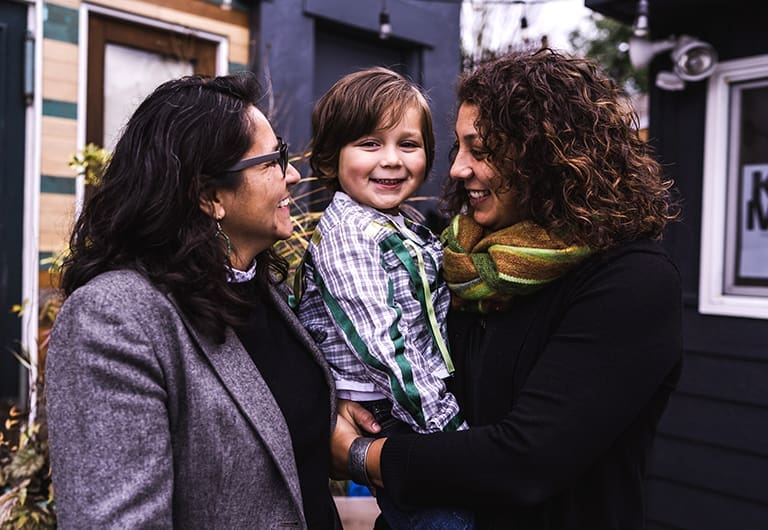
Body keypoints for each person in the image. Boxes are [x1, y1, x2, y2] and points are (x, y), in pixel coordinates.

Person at [332, 49, 683, 530]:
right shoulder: (461, 259)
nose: (456, 169)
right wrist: (351, 396)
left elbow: (526, 459)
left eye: (481, 150)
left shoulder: (630, 281)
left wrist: (359, 454)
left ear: (545, 154)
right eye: (458, 148)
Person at [45, 73, 342, 529]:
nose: (294, 174)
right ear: (209, 196)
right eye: (273, 160)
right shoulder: (116, 319)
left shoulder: (266, 291)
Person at [294, 67, 473, 529]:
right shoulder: (351, 235)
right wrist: (448, 433)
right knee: (447, 520)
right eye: (370, 144)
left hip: (408, 398)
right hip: (390, 406)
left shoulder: (396, 223)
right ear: (331, 159)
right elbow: (384, 345)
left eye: (408, 144)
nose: (392, 160)